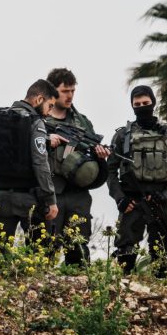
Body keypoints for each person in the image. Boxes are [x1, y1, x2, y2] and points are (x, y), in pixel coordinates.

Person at [107, 85, 167, 275]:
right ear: (132, 106)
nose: (142, 107)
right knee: (125, 255)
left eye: (146, 103)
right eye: (137, 104)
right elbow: (110, 171)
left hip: (160, 202)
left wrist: (166, 196)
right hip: (131, 202)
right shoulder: (122, 136)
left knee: (162, 257)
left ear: (153, 103)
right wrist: (120, 199)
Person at [0, 79, 59, 250]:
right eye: (50, 106)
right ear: (39, 99)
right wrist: (50, 199)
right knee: (39, 255)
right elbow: (40, 162)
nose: (49, 112)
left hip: (2, 197)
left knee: (0, 254)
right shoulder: (36, 123)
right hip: (31, 199)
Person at [41, 68, 109, 266]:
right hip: (50, 191)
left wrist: (100, 156)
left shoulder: (81, 122)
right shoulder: (39, 120)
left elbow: (92, 153)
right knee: (45, 247)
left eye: (73, 91)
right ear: (52, 91)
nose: (70, 95)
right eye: (65, 91)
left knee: (78, 248)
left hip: (77, 193)